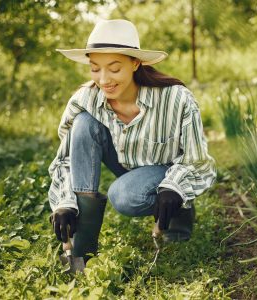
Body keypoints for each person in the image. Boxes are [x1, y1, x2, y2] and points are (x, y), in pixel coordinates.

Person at [48, 19, 216, 262]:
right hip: (124, 163)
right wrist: (64, 203)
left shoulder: (176, 99)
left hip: (165, 170)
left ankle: (178, 209)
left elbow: (198, 161)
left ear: (135, 63)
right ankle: (82, 252)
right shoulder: (84, 99)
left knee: (124, 196)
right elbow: (66, 159)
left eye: (114, 68)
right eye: (95, 68)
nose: (104, 79)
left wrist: (175, 188)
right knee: (83, 123)